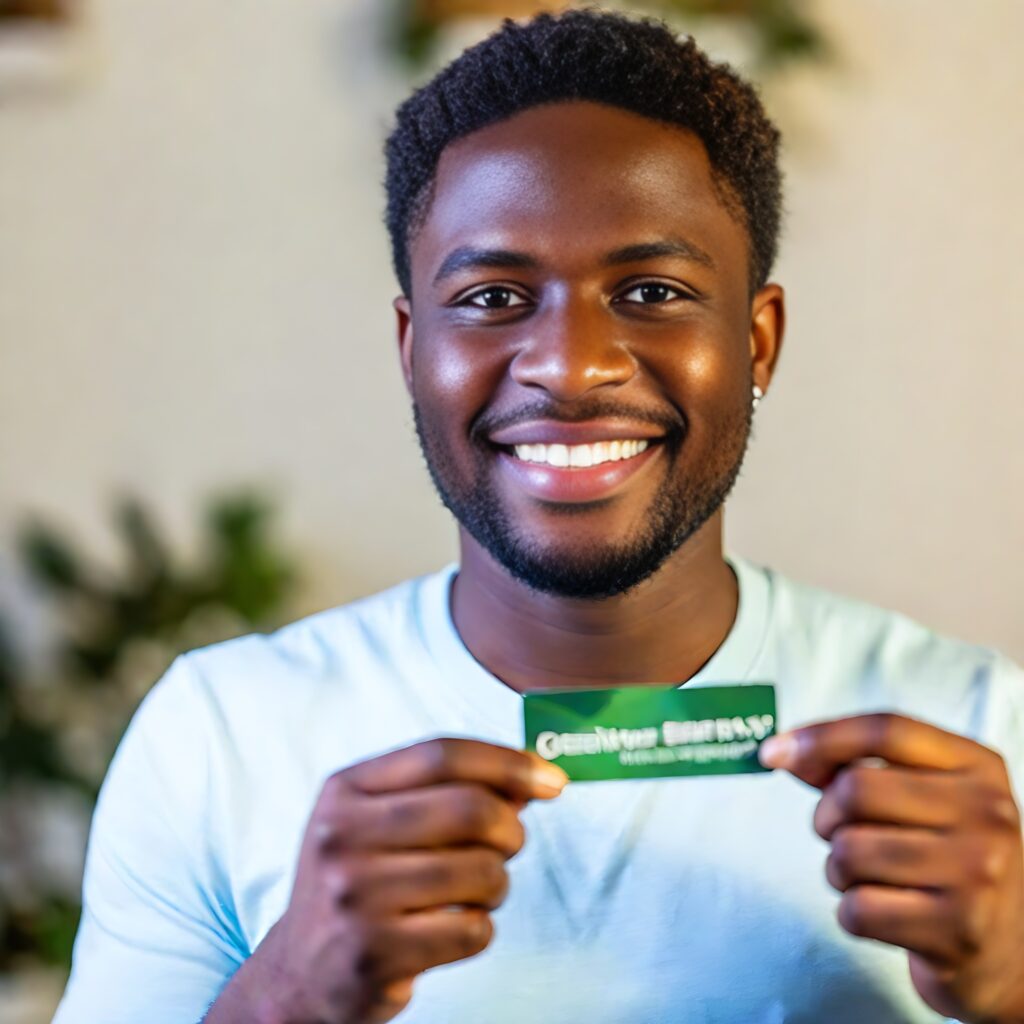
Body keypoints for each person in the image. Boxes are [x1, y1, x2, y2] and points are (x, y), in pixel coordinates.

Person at [53, 9, 1024, 1024]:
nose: (569, 365)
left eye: (651, 289)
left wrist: (1007, 984)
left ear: (758, 340)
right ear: (409, 347)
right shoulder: (221, 736)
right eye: (489, 298)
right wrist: (286, 995)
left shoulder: (970, 726)